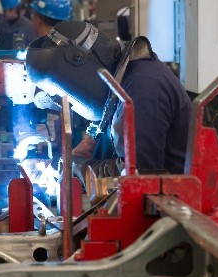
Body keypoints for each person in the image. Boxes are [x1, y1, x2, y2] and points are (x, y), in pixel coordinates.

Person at [25, 12, 192, 174]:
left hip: (181, 198)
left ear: (78, 61)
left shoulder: (143, 89)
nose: (70, 103)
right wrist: (67, 162)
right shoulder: (119, 86)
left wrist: (81, 169)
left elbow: (139, 174)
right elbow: (100, 148)